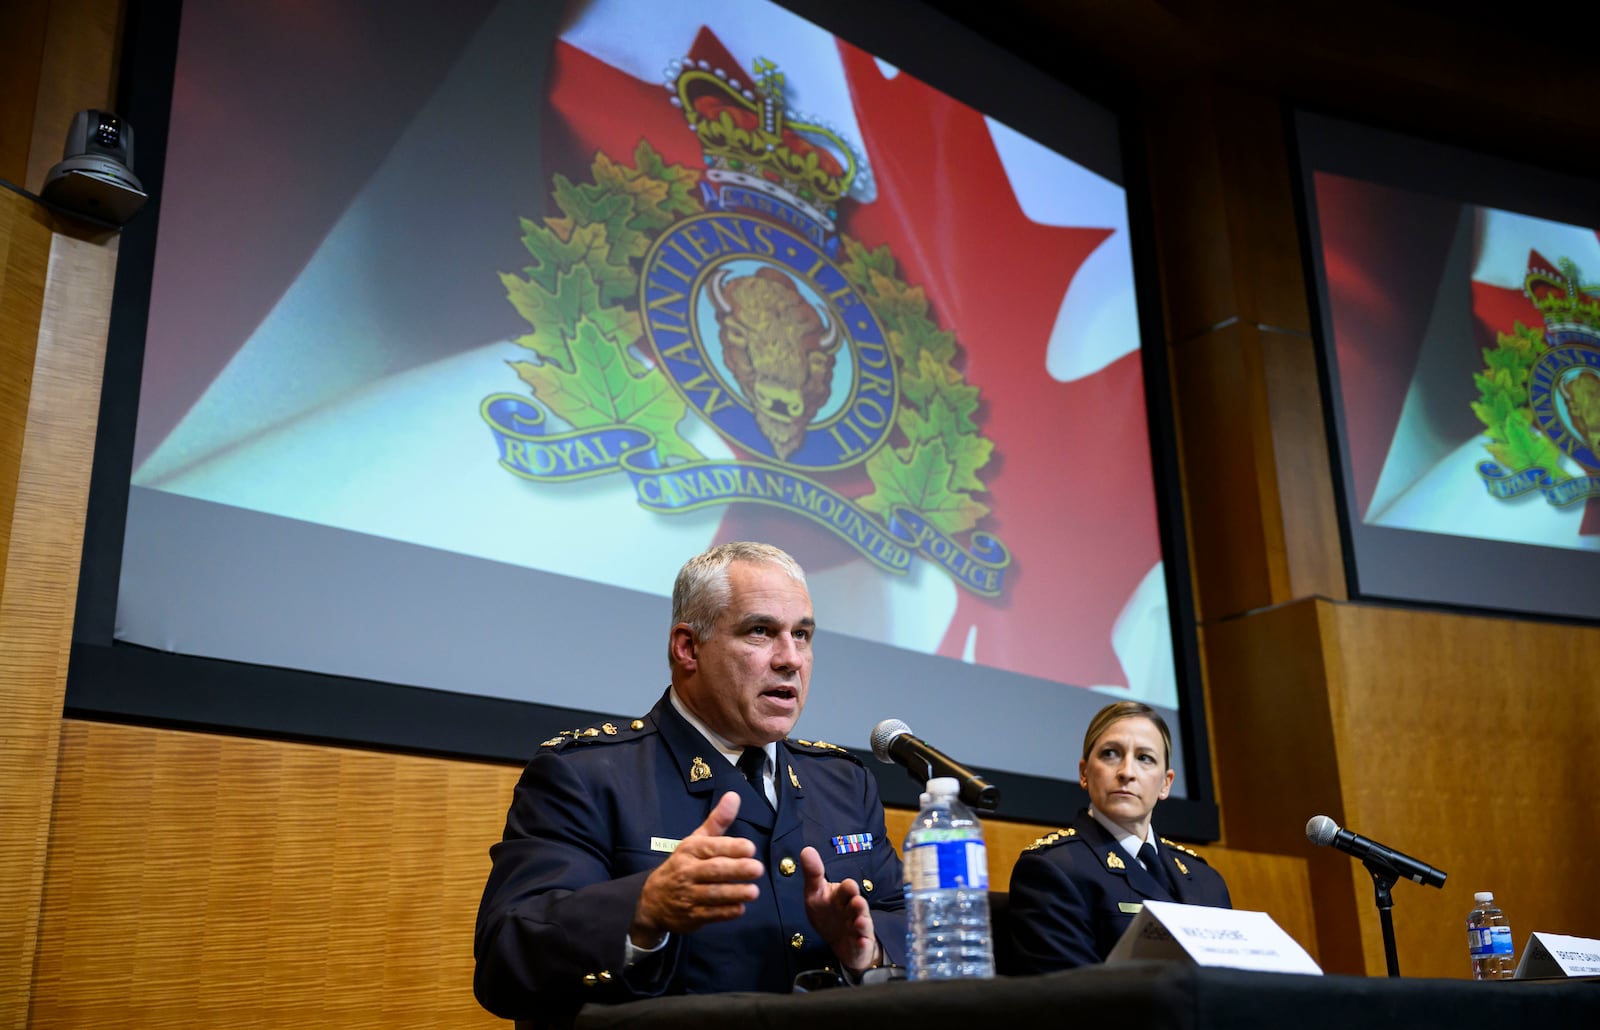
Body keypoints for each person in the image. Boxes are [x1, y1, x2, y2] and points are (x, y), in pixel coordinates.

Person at [474, 541, 906, 1023]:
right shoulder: (587, 775)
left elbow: (905, 926)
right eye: (760, 631)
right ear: (687, 648)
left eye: (802, 635)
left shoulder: (844, 783)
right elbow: (504, 960)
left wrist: (865, 956)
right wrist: (643, 910)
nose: (791, 659)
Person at [1006, 701, 1230, 972]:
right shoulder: (1052, 869)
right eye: (1111, 754)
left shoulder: (1206, 879)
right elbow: (1068, 995)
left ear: (1165, 783)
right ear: (1084, 772)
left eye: (1145, 758)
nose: (1126, 772)